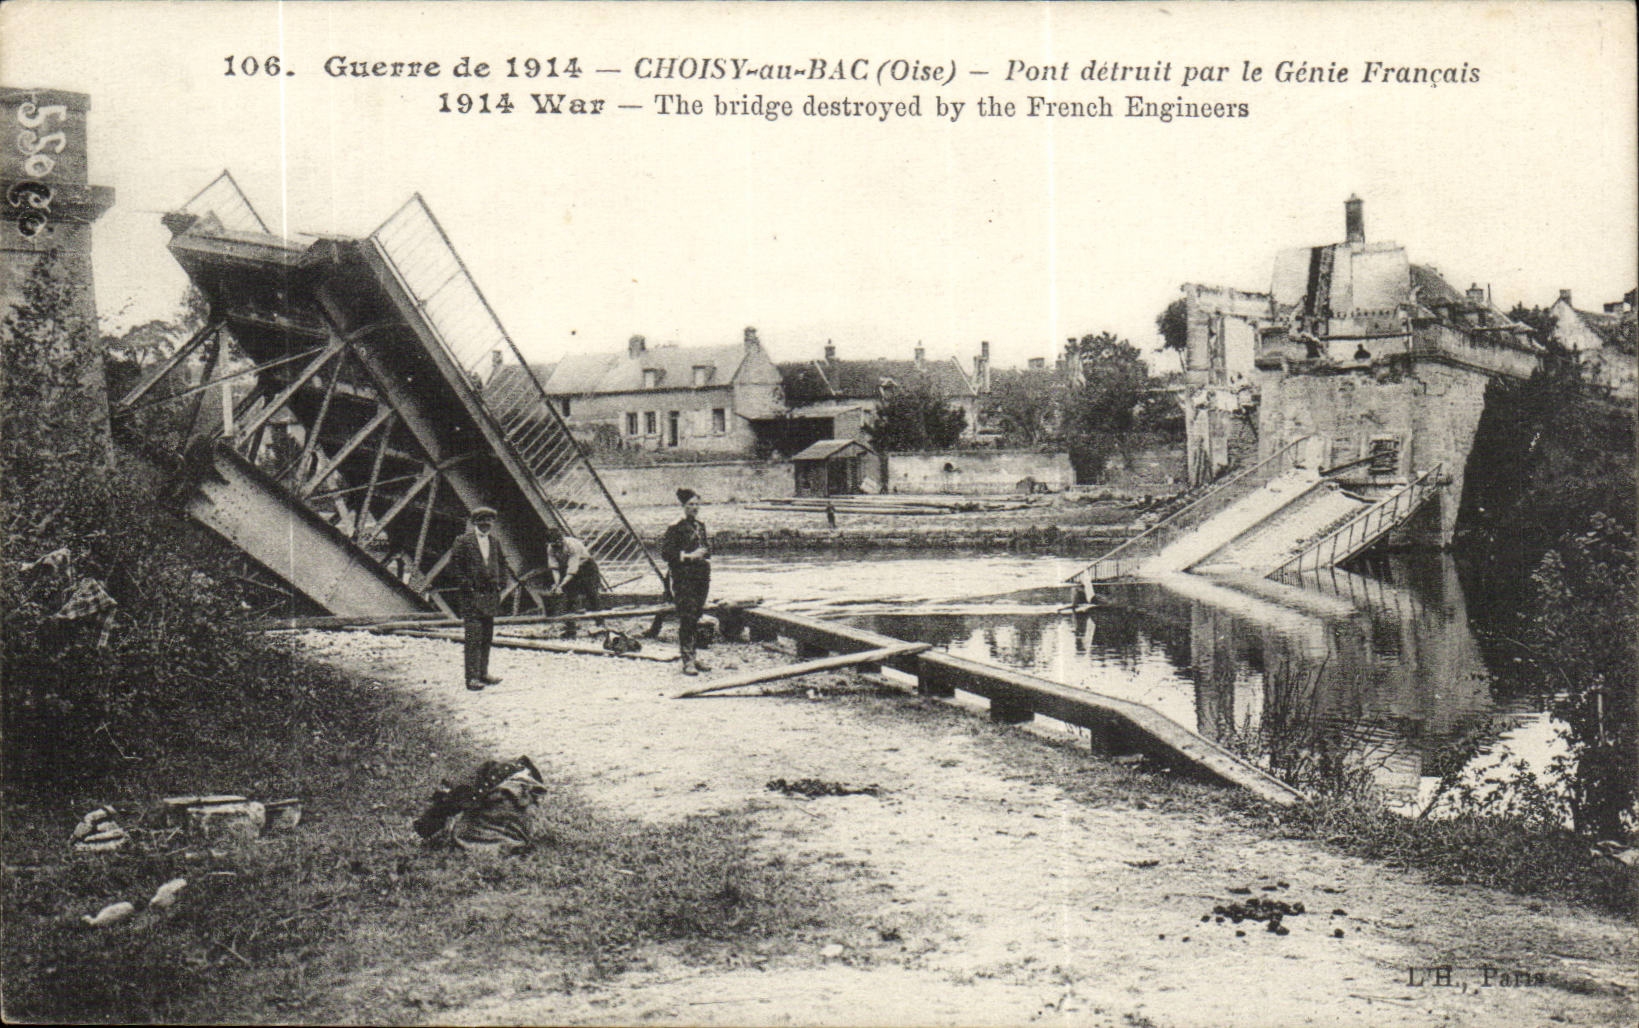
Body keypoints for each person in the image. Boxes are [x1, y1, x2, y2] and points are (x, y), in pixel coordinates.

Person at [449, 506, 509, 691]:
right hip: (472, 596)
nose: (486, 525)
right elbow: (454, 567)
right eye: (483, 522)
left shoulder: (494, 541)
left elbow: (502, 563)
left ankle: (483, 673)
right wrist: (467, 585)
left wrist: (502, 582)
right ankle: (472, 678)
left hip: (490, 596)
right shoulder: (463, 541)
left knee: (486, 636)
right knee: (473, 637)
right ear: (475, 523)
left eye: (489, 522)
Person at [659, 487, 712, 675]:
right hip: (683, 577)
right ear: (683, 506)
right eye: (691, 504)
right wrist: (689, 556)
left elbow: (706, 548)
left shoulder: (700, 525)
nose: (695, 508)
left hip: (701, 575)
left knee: (697, 614)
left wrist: (705, 553)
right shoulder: (675, 527)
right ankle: (687, 660)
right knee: (687, 616)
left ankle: (695, 657)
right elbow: (666, 553)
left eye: (697, 504)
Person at [548, 533, 601, 638]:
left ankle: (600, 624)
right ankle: (571, 630)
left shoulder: (572, 545)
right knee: (569, 598)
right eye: (554, 545)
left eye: (558, 544)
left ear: (561, 540)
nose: (556, 547)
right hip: (568, 567)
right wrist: (557, 583)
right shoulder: (551, 548)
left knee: (592, 594)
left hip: (586, 567)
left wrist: (561, 585)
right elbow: (555, 568)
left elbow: (572, 571)